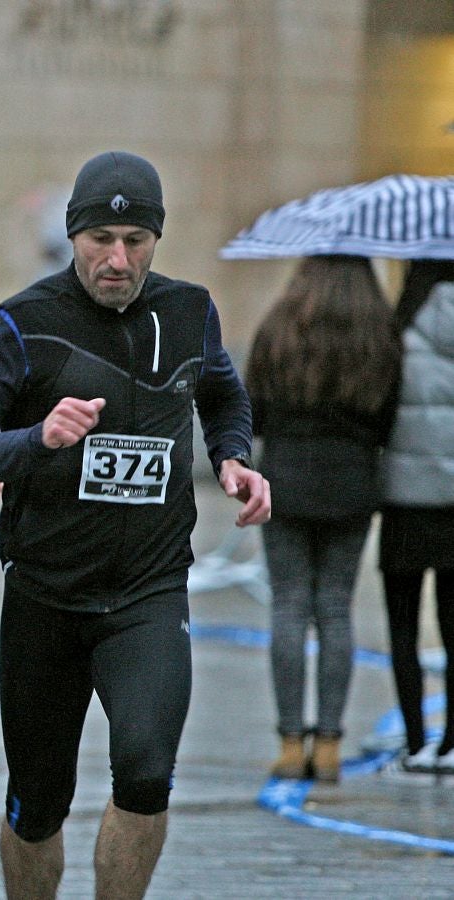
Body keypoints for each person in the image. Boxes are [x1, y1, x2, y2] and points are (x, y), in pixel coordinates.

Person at [0, 151, 271, 899]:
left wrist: (232, 456)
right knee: (36, 804)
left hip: (147, 594)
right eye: (100, 239)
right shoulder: (23, 324)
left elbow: (220, 393)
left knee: (145, 773)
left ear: (155, 239)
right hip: (46, 597)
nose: (117, 259)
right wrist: (35, 440)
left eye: (135, 241)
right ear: (73, 234)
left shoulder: (188, 311)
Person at [244, 256, 401, 783]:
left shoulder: (279, 327)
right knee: (335, 607)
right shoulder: (381, 335)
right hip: (353, 484)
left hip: (285, 481)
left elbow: (254, 412)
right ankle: (330, 744)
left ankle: (291, 743)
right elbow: (388, 419)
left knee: (288, 606)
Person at [379, 258, 454, 774]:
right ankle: (452, 743)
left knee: (402, 630)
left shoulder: (396, 332)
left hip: (404, 503)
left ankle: (412, 742)